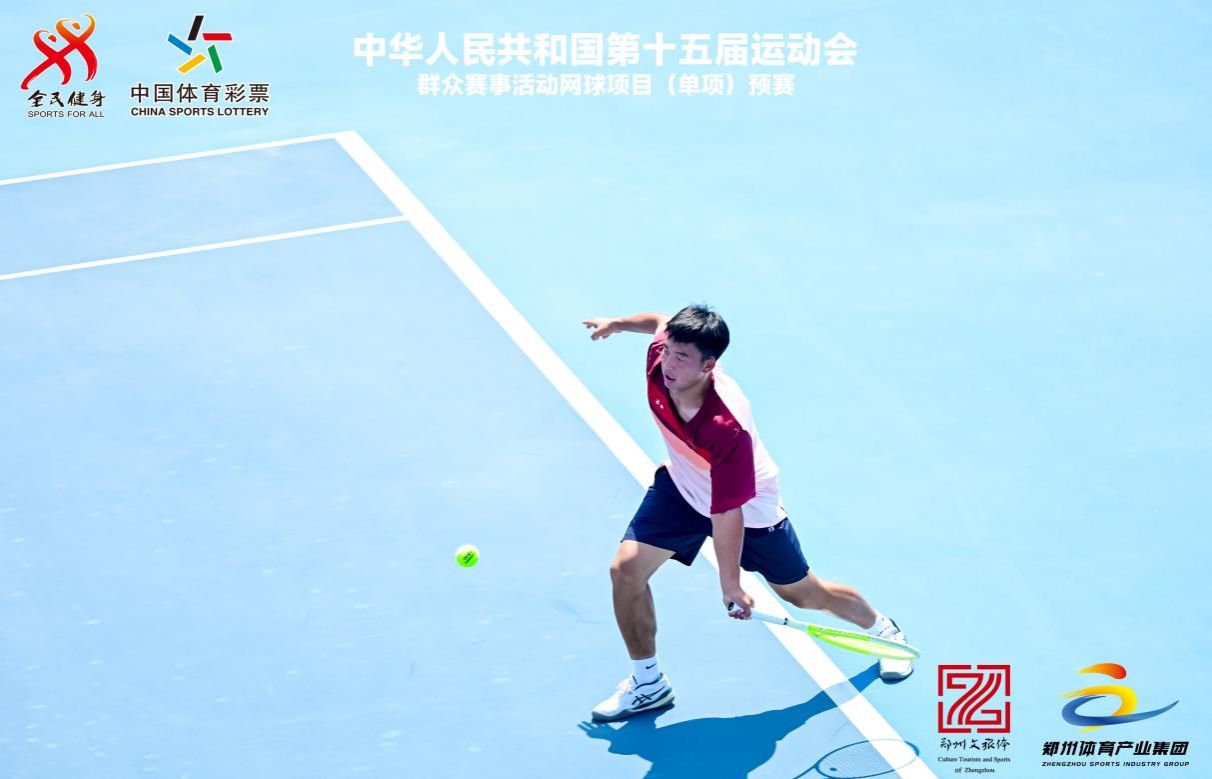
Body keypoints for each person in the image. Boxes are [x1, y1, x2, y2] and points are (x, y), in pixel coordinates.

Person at [581, 304, 912, 723]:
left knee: (804, 594)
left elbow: (727, 514)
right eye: (668, 352)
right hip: (683, 487)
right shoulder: (661, 357)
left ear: (708, 366)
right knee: (626, 572)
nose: (669, 363)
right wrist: (617, 324)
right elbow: (659, 322)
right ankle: (648, 683)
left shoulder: (726, 427)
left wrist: (731, 585)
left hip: (749, 508)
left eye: (682, 358)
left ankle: (884, 630)